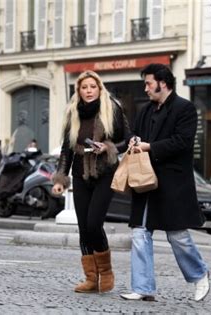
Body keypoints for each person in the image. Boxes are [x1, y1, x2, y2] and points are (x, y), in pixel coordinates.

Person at [120, 64, 210, 302]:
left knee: (177, 236)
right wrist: (133, 140)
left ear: (163, 82)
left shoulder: (186, 108)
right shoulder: (144, 110)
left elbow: (182, 142)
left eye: (149, 83)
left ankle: (200, 274)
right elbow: (131, 134)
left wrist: (150, 146)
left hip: (173, 183)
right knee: (140, 233)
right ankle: (143, 287)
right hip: (144, 181)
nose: (146, 88)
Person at [52, 70, 130, 294]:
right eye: (84, 87)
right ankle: (90, 278)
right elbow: (66, 150)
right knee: (84, 228)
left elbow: (128, 138)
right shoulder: (73, 113)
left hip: (105, 171)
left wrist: (108, 146)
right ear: (79, 90)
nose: (88, 91)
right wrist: (60, 179)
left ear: (99, 88)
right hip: (80, 172)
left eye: (92, 87)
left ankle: (106, 272)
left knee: (94, 223)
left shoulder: (111, 108)